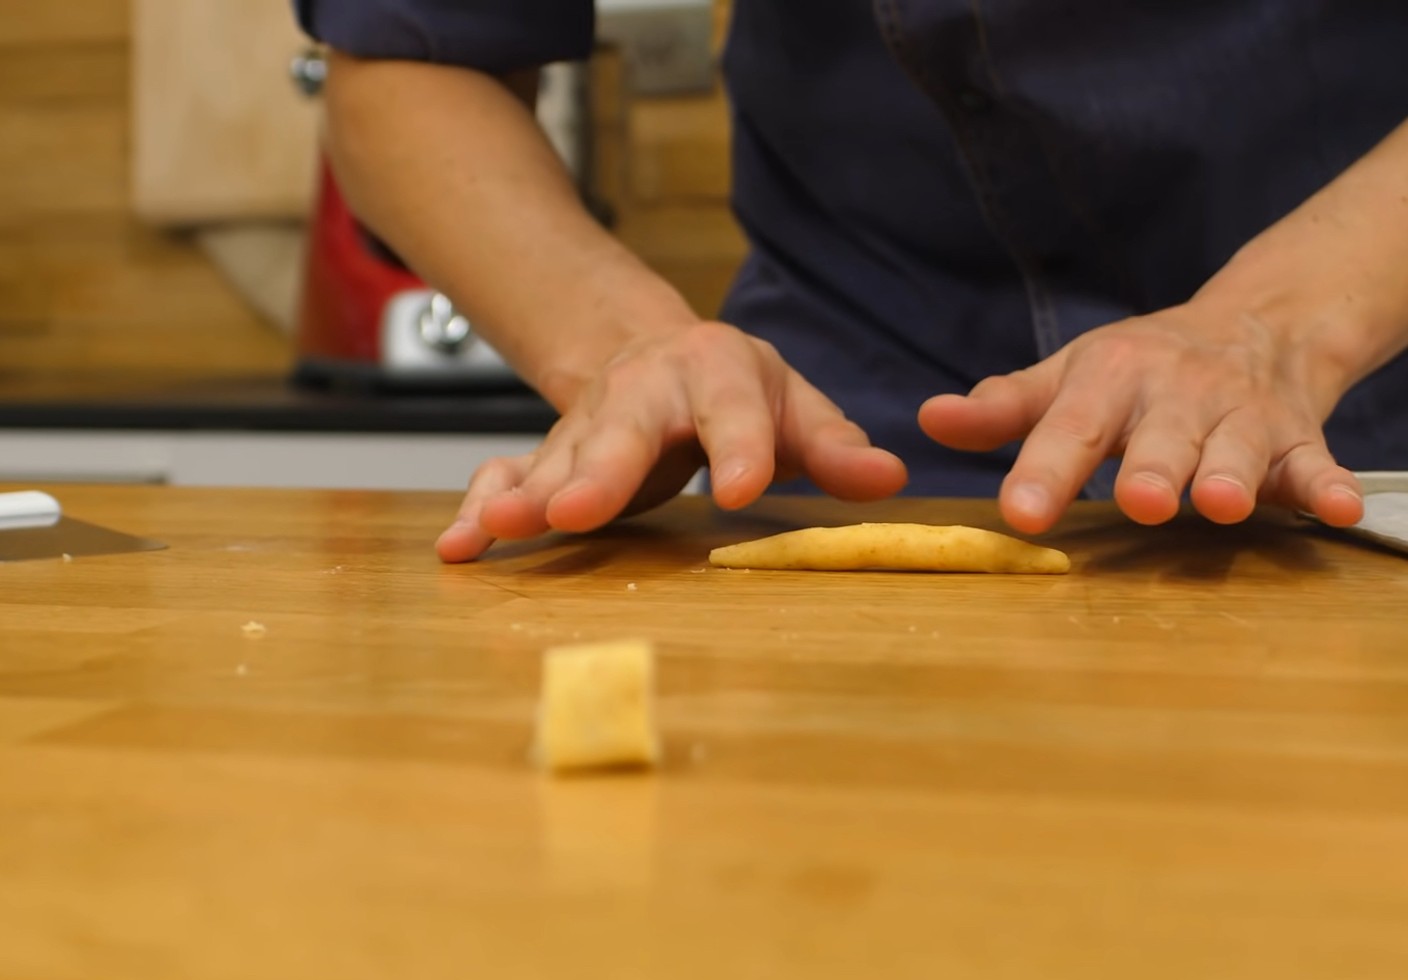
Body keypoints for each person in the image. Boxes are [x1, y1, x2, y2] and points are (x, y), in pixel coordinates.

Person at [293, 1, 1408, 563]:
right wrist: (626, 347)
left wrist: (1274, 327)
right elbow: (414, 54)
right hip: (840, 434)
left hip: (1371, 428)